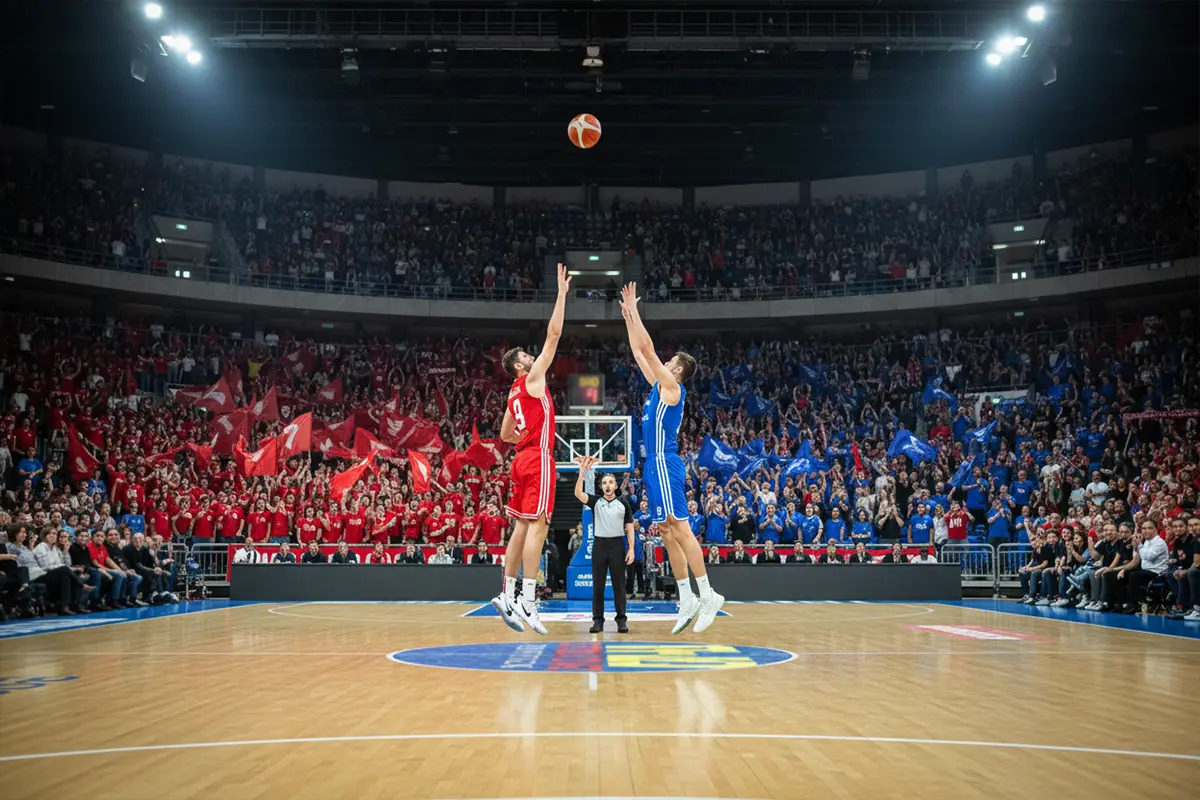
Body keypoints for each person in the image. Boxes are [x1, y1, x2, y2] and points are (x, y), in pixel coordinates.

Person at [618, 281, 722, 634]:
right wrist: (628, 319)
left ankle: (708, 594)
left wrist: (635, 312)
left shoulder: (674, 388)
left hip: (665, 461)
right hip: (653, 464)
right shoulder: (657, 388)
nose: (663, 362)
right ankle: (686, 597)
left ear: (676, 369)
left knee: (680, 527)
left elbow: (647, 348)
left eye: (669, 361)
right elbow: (639, 354)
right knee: (664, 532)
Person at [490, 263, 571, 635]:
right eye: (526, 355)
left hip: (519, 460)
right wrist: (561, 295)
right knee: (538, 528)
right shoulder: (533, 378)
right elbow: (554, 335)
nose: (531, 356)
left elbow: (505, 434)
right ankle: (527, 599)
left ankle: (507, 593)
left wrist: (524, 430)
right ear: (521, 365)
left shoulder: (512, 394)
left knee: (521, 528)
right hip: (537, 458)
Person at [573, 455, 635, 633]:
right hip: (599, 546)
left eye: (611, 482)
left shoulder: (623, 503)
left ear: (616, 486)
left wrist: (631, 549)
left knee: (619, 586)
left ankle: (621, 620)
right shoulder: (596, 502)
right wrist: (581, 474)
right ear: (602, 487)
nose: (607, 485)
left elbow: (630, 527)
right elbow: (578, 494)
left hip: (617, 546)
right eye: (605, 482)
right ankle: (597, 621)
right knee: (598, 586)